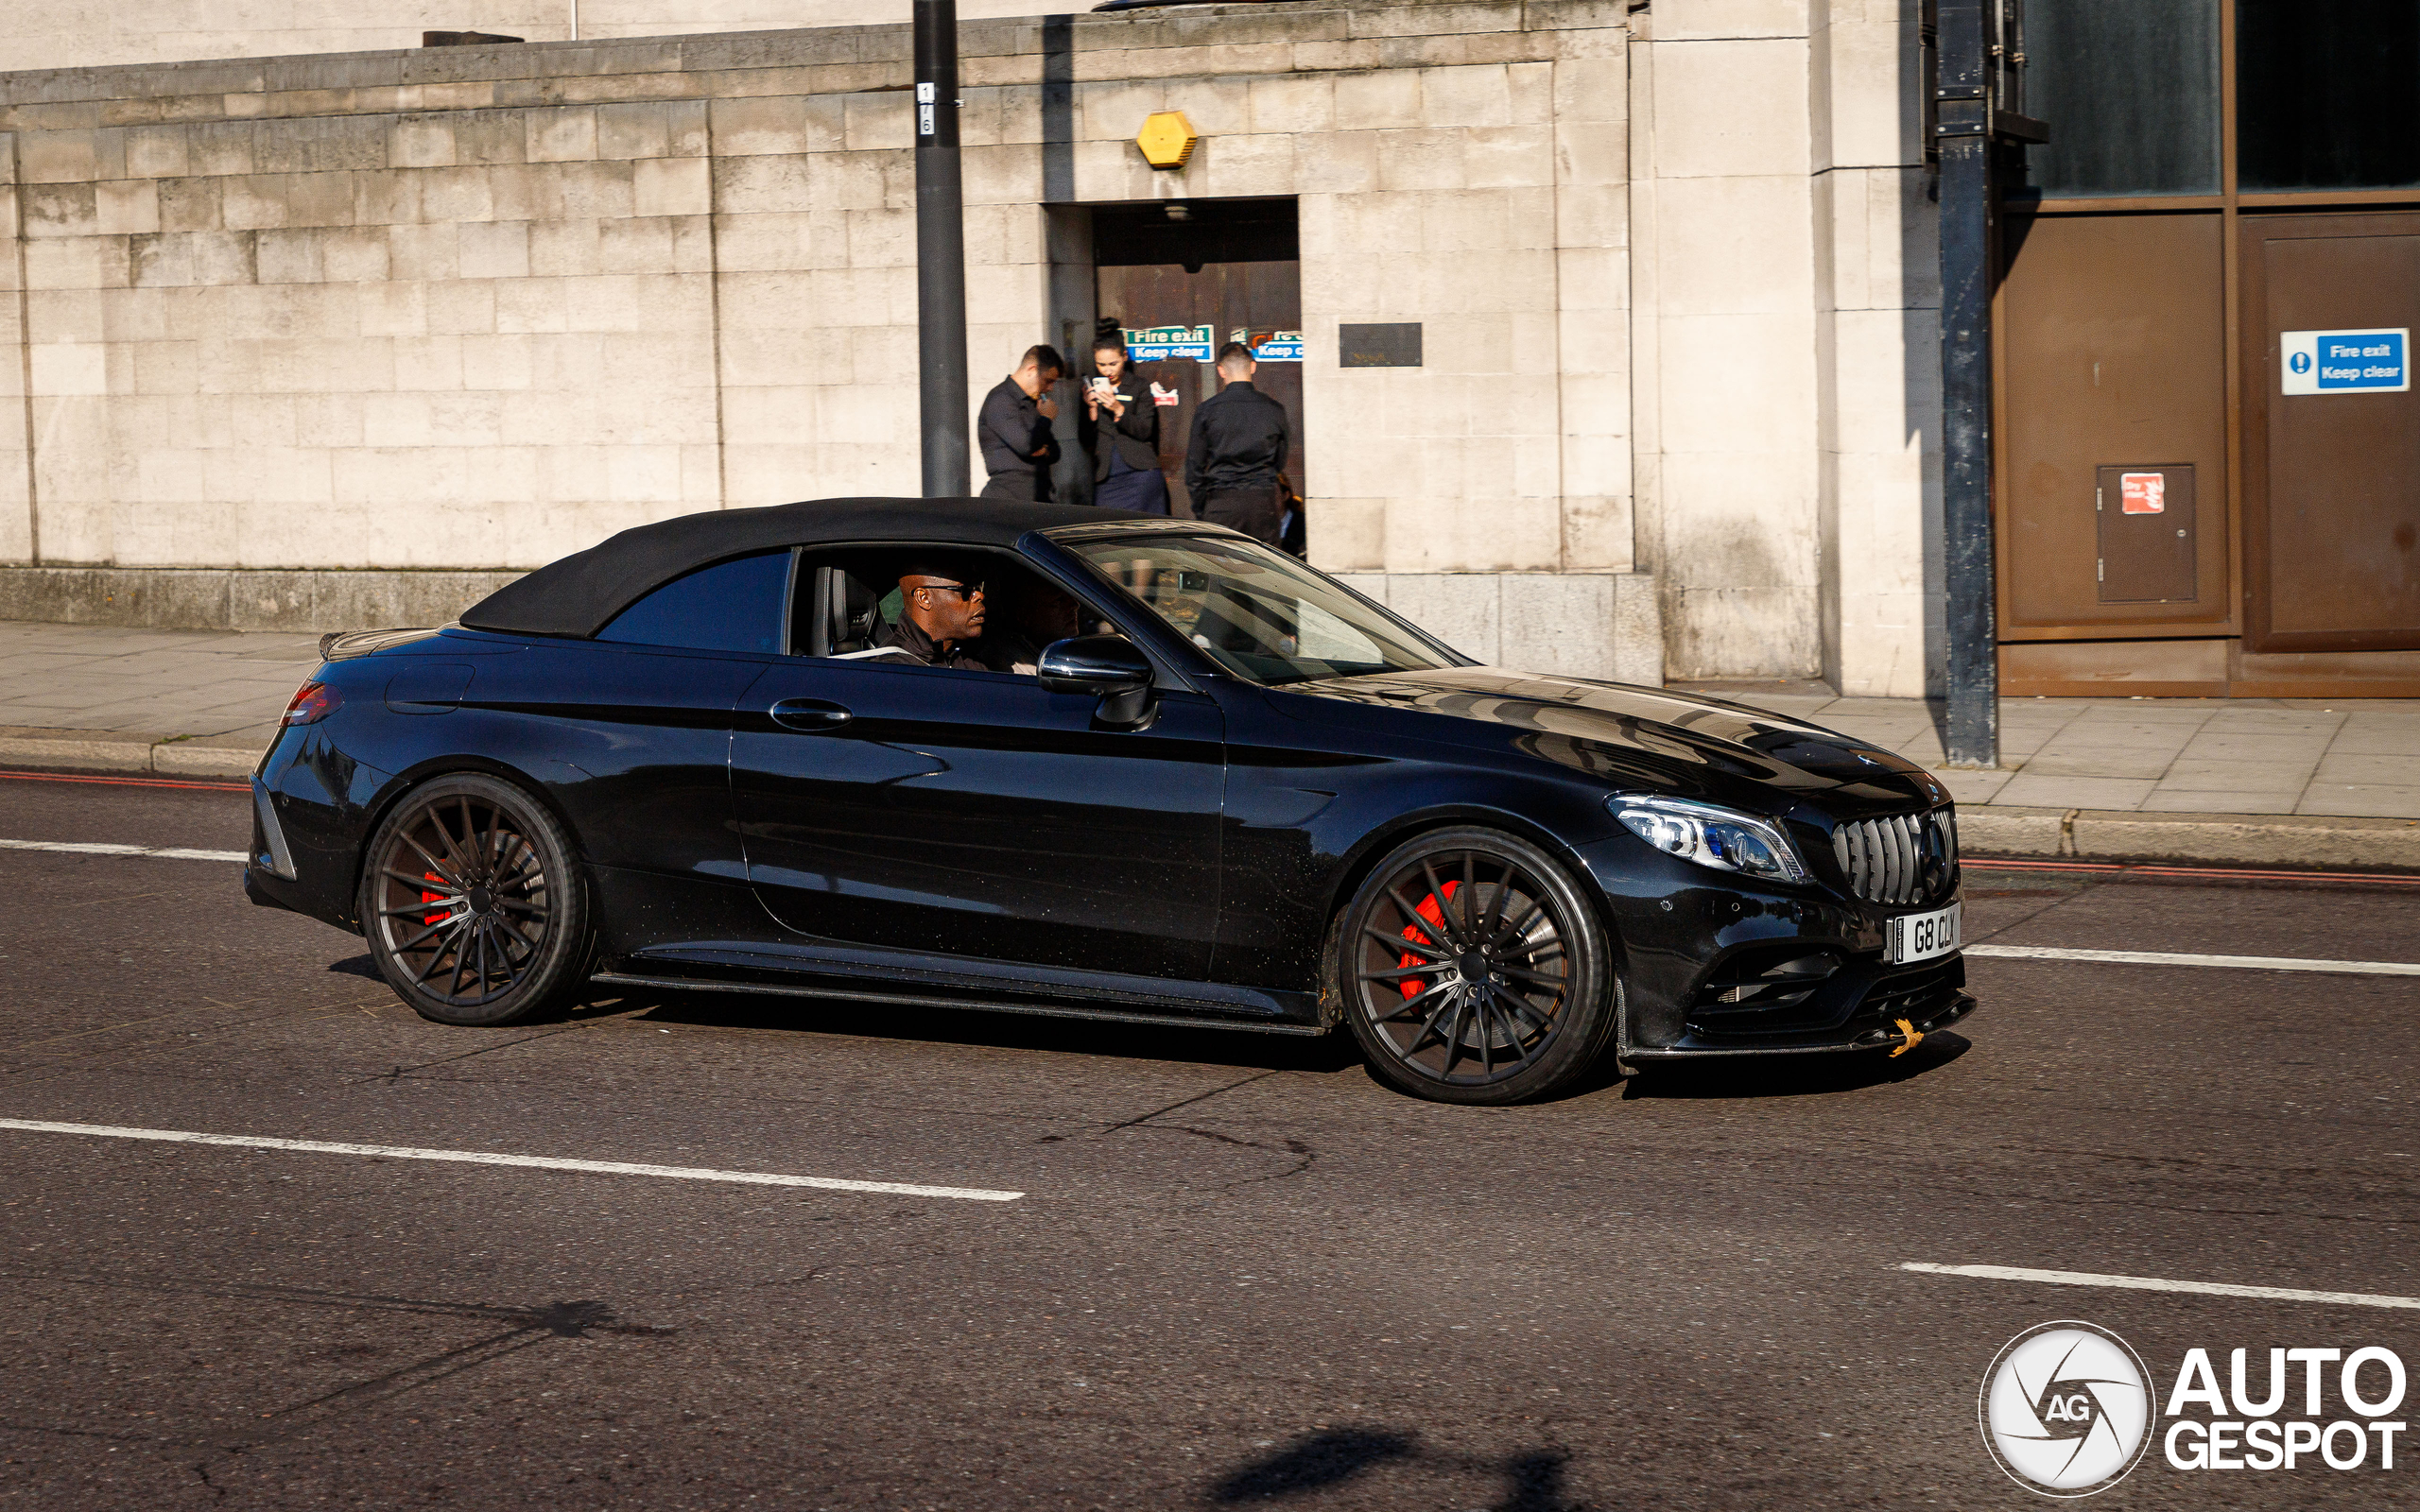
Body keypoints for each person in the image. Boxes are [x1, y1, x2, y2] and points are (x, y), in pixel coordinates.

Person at [1184, 342, 1290, 543]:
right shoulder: (1274, 409)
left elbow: (1193, 469)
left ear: (1221, 371)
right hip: (1262, 503)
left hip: (1221, 504)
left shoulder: (1208, 411)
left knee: (1222, 569)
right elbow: (1280, 460)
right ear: (1252, 366)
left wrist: (1203, 509)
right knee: (1266, 568)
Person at [1080, 333, 1169, 515]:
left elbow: (1145, 430)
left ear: (1124, 357)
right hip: (1106, 477)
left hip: (1140, 473)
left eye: (1113, 364)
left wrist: (1119, 409)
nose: (1107, 371)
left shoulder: (1139, 386)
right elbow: (1086, 440)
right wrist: (1092, 409)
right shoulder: (1091, 391)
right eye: (1101, 365)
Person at [977, 346, 1063, 501]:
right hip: (1009, 497)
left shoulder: (1033, 403)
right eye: (1048, 381)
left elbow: (1056, 452)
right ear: (1032, 369)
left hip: (1038, 496)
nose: (1050, 388)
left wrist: (1043, 450)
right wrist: (1046, 419)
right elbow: (1027, 446)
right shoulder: (1001, 400)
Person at [873, 558, 990, 669]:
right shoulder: (894, 670)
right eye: (964, 590)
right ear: (924, 598)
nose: (979, 595)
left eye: (978, 587)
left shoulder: (973, 658)